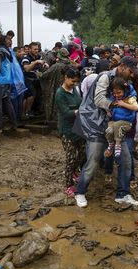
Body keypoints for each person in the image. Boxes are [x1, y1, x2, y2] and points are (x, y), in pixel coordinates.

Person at [74, 56, 138, 208]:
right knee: (94, 160)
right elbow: (98, 100)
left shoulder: (125, 82)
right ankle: (80, 191)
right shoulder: (105, 77)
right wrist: (117, 104)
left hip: (115, 124)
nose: (132, 75)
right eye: (130, 71)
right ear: (122, 66)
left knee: (126, 159)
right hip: (95, 124)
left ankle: (123, 194)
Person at [55, 67, 85, 197]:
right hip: (66, 130)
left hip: (78, 127)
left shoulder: (75, 90)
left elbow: (80, 103)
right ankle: (68, 185)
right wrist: (78, 111)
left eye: (77, 81)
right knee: (71, 157)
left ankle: (74, 171)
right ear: (66, 78)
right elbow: (66, 113)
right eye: (73, 81)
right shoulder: (60, 94)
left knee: (83, 153)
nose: (75, 83)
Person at [104, 77, 138, 160]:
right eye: (114, 93)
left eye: (119, 93)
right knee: (109, 130)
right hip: (114, 120)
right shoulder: (113, 97)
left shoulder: (130, 98)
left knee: (117, 125)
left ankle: (118, 144)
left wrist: (123, 104)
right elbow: (108, 105)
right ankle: (111, 144)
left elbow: (136, 107)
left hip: (126, 122)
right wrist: (108, 111)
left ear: (125, 90)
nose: (116, 95)